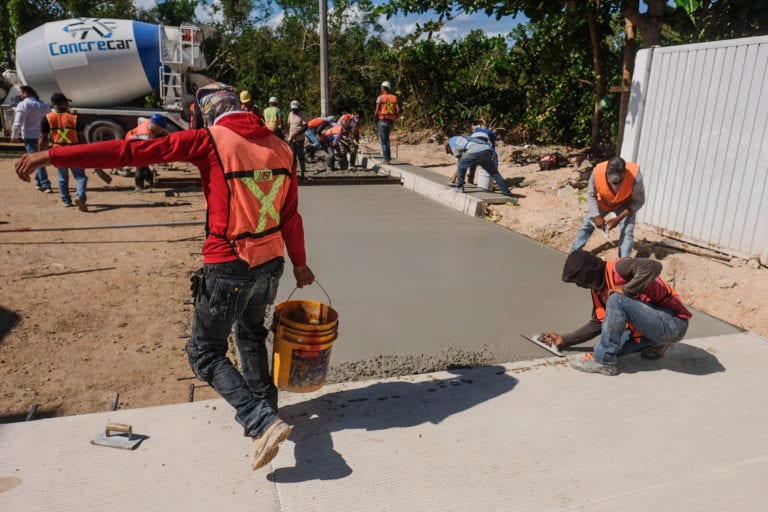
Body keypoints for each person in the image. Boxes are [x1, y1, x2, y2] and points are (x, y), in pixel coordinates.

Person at [15, 82, 316, 471]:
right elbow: (290, 216)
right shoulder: (282, 148)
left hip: (229, 262)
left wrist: (52, 156)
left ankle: (260, 422)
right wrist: (301, 263)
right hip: (270, 261)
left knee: (205, 353)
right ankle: (268, 413)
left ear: (207, 112)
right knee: (251, 335)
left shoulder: (209, 140)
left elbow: (130, 151)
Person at [540, 250, 692, 376]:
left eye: (578, 281)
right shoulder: (599, 289)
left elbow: (653, 266)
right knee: (613, 344)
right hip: (653, 327)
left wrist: (626, 290)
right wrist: (564, 340)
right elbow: (598, 323)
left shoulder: (619, 268)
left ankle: (604, 362)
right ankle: (657, 343)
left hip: (673, 323)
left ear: (587, 273)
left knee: (617, 300)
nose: (579, 286)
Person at [570, 156, 645, 257]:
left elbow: (639, 201)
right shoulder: (597, 173)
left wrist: (618, 219)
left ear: (624, 173)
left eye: (617, 182)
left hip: (625, 204)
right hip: (603, 202)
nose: (615, 186)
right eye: (611, 181)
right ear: (606, 172)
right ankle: (574, 254)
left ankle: (623, 263)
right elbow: (591, 195)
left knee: (627, 231)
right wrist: (596, 216)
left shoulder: (635, 177)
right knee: (587, 224)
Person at [39, 92, 89, 211]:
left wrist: (40, 153)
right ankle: (80, 197)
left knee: (62, 177)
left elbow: (43, 138)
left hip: (58, 151)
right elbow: (81, 137)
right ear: (64, 103)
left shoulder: (47, 118)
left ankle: (66, 200)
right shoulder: (74, 118)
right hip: (74, 151)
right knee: (80, 177)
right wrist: (87, 150)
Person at [444, 129, 515, 199]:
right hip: (487, 150)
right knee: (494, 173)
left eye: (448, 151)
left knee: (462, 163)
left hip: (476, 149)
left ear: (448, 147)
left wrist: (454, 177)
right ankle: (507, 193)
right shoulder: (460, 138)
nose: (450, 153)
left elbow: (461, 162)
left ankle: (459, 187)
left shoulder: (451, 142)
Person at [10, 86, 52, 192]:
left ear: (25, 93)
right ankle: (39, 182)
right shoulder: (44, 105)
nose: (19, 95)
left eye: (20, 93)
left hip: (30, 136)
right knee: (40, 158)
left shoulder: (23, 105)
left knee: (36, 160)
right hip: (43, 136)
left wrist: (14, 136)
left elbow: (18, 123)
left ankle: (45, 184)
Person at [125, 114, 169, 191]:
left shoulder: (149, 121)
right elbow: (147, 154)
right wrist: (153, 166)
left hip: (137, 138)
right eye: (160, 128)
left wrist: (138, 128)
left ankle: (149, 181)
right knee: (141, 165)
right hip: (132, 142)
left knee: (146, 163)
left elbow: (139, 119)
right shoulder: (146, 136)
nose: (160, 130)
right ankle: (139, 187)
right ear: (155, 125)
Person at [374, 81, 399, 164]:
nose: (380, 89)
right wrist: (395, 117)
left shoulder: (380, 97)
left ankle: (386, 159)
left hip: (383, 120)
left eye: (381, 87)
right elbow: (398, 110)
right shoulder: (394, 97)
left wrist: (375, 120)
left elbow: (376, 111)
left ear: (383, 88)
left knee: (384, 141)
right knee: (387, 139)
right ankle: (388, 157)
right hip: (391, 121)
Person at [286, 100, 308, 178]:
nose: (294, 111)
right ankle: (292, 173)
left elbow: (306, 127)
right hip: (291, 139)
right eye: (293, 109)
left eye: (295, 109)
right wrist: (290, 135)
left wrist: (297, 133)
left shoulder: (302, 115)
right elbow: (289, 125)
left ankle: (302, 173)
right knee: (292, 157)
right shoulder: (290, 114)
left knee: (300, 156)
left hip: (299, 140)